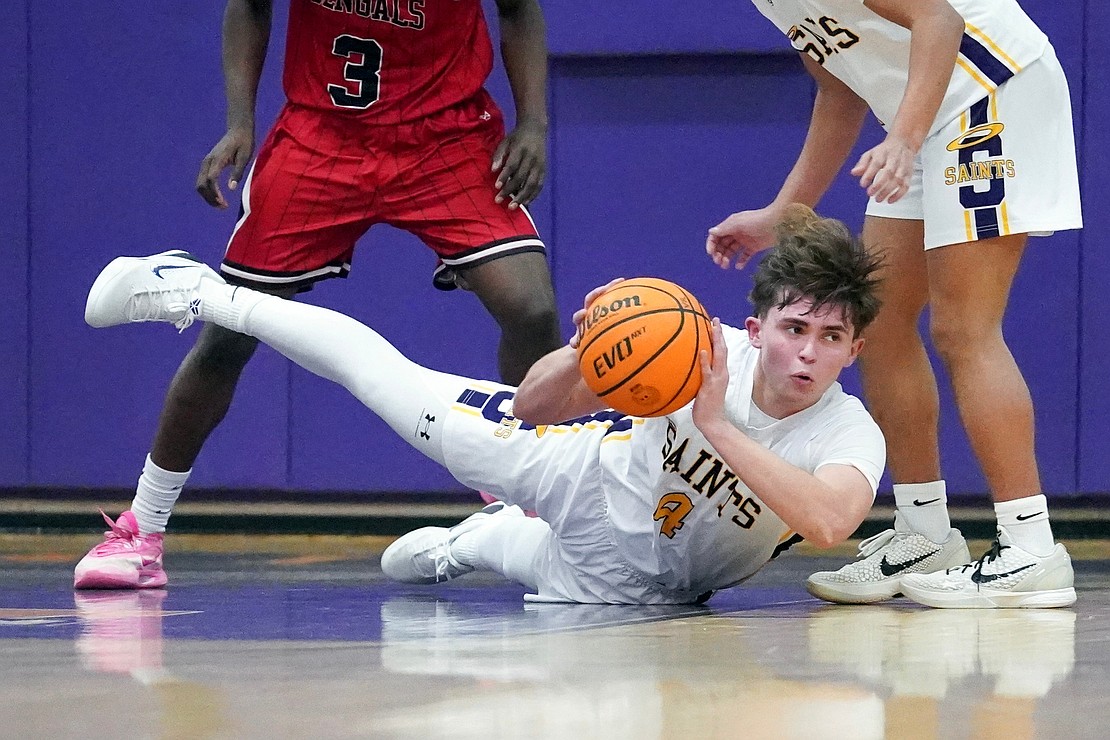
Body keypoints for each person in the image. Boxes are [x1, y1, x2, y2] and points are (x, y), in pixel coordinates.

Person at [80, 205, 886, 603]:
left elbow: (828, 522)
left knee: (421, 565)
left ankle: (481, 536)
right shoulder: (698, 344)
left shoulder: (849, 431)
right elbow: (534, 408)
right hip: (574, 473)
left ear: (857, 349)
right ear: (758, 325)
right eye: (794, 327)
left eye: (831, 336)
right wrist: (590, 347)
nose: (808, 352)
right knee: (384, 379)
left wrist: (712, 425)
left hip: (631, 589)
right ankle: (202, 291)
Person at [74, 0, 563, 589]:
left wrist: (532, 123)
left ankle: (529, 488)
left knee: (531, 308)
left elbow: (518, 10)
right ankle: (141, 530)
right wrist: (239, 120)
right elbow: (249, 7)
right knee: (228, 336)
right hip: (322, 136)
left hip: (446, 136)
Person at [706, 0, 1080, 608]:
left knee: (964, 329)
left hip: (989, 91)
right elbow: (842, 87)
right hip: (927, 114)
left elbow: (941, 20)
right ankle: (925, 530)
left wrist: (902, 143)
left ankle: (1030, 548)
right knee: (876, 322)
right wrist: (783, 212)